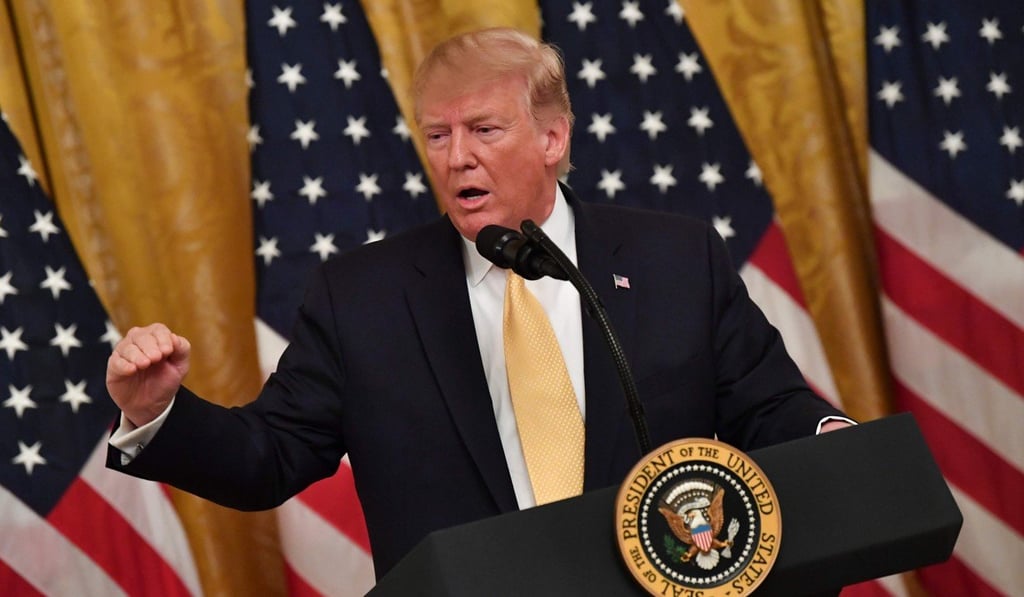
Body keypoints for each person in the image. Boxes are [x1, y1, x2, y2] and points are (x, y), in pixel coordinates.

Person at [106, 28, 852, 579]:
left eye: (484, 131)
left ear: (553, 137)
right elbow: (268, 457)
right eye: (438, 135)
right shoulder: (363, 298)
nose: (456, 156)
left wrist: (837, 438)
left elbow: (769, 406)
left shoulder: (675, 259)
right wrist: (156, 414)